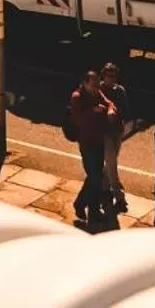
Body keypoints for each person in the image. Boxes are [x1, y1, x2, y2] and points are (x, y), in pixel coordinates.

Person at [67, 69, 114, 226]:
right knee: (94, 176)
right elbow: (79, 120)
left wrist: (110, 110)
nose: (96, 88)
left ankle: (92, 210)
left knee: (96, 177)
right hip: (87, 143)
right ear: (85, 83)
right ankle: (81, 204)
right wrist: (95, 112)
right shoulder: (77, 98)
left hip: (98, 140)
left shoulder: (97, 93)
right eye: (93, 85)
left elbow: (109, 103)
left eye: (97, 84)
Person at [99, 62, 130, 215]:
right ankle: (119, 196)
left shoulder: (120, 91)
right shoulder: (98, 91)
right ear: (103, 76)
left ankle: (104, 187)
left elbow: (125, 110)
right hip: (104, 132)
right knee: (112, 164)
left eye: (114, 76)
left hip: (116, 131)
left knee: (110, 161)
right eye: (108, 76)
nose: (111, 79)